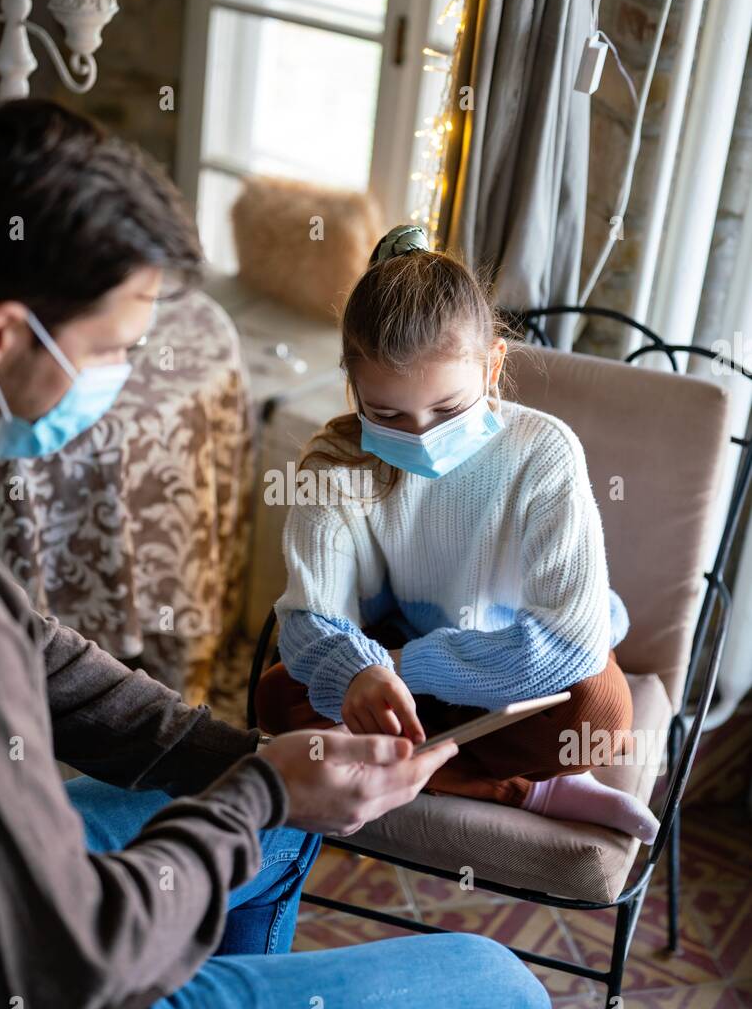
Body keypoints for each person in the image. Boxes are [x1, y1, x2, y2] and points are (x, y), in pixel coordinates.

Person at [0, 103, 551, 1009]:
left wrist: (256, 760)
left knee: (274, 834)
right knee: (501, 994)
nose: (119, 377)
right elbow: (63, 971)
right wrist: (257, 792)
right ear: (3, 335)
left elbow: (37, 653)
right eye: (114, 347)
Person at [259, 225, 659, 844]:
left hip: (507, 665)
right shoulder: (334, 464)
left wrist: (400, 668)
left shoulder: (543, 452)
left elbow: (569, 644)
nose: (418, 435)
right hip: (398, 663)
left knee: (599, 714)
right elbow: (309, 619)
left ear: (493, 364)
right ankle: (522, 789)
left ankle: (470, 773)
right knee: (278, 701)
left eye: (447, 411)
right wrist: (362, 673)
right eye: (386, 415)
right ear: (354, 387)